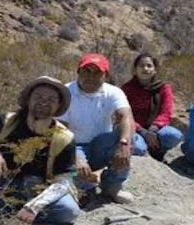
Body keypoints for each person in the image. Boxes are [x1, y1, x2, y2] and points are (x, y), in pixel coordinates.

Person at [0, 76, 80, 225]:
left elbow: (63, 182)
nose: (44, 102)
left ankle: (17, 213)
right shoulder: (7, 121)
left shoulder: (64, 137)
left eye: (51, 99)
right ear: (29, 100)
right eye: (38, 96)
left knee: (68, 211)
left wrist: (35, 205)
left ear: (58, 106)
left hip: (36, 191)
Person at [59, 53, 137, 204]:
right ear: (78, 72)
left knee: (128, 137)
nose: (91, 76)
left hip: (100, 145)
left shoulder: (113, 92)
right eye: (86, 71)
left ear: (105, 75)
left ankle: (112, 186)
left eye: (97, 73)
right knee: (74, 179)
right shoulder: (66, 92)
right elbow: (60, 131)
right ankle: (84, 186)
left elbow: (125, 117)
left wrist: (124, 143)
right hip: (73, 145)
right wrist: (75, 157)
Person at [120, 53, 183, 161]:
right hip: (134, 129)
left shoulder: (163, 88)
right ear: (135, 69)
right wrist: (143, 131)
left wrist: (153, 130)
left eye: (149, 66)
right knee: (138, 148)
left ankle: (159, 151)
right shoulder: (126, 89)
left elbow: (166, 112)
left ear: (155, 69)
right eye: (141, 65)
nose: (145, 68)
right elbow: (124, 115)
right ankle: (146, 150)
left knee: (174, 135)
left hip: (156, 128)